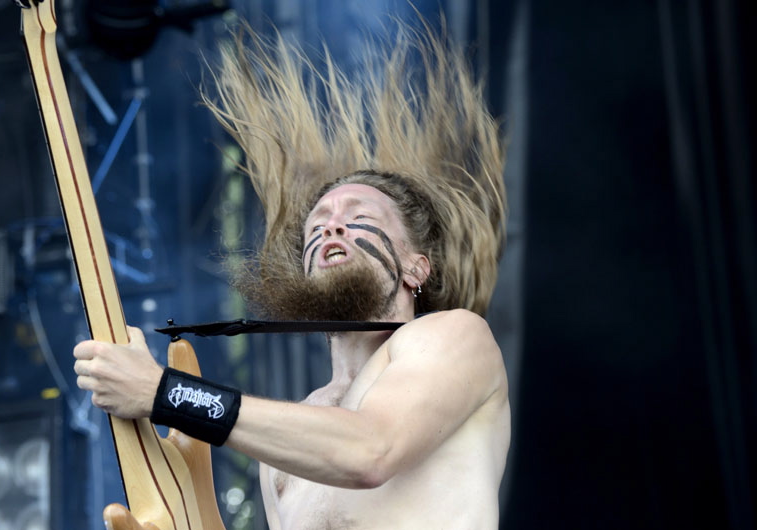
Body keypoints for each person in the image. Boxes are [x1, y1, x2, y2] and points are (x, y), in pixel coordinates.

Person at [73, 19, 510, 529]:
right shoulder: (285, 441)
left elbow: (371, 450)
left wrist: (166, 394)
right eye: (318, 225)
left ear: (418, 266)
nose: (332, 229)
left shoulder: (455, 336)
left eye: (359, 219)